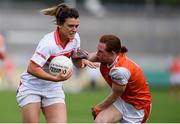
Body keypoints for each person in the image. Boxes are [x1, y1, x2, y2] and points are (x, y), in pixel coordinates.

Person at [16, 3, 96, 123]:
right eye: (70, 26)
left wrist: (82, 61)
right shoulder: (48, 43)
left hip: (53, 88)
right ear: (60, 25)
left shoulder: (75, 39)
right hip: (32, 86)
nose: (74, 30)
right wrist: (55, 79)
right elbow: (32, 68)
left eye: (76, 26)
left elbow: (75, 61)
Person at [89, 34, 152, 123]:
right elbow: (86, 56)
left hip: (137, 107)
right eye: (98, 50)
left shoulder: (119, 71)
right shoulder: (109, 57)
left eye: (101, 51)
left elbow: (116, 94)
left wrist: (99, 107)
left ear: (112, 53)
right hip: (123, 100)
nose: (97, 53)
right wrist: (78, 57)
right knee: (100, 121)